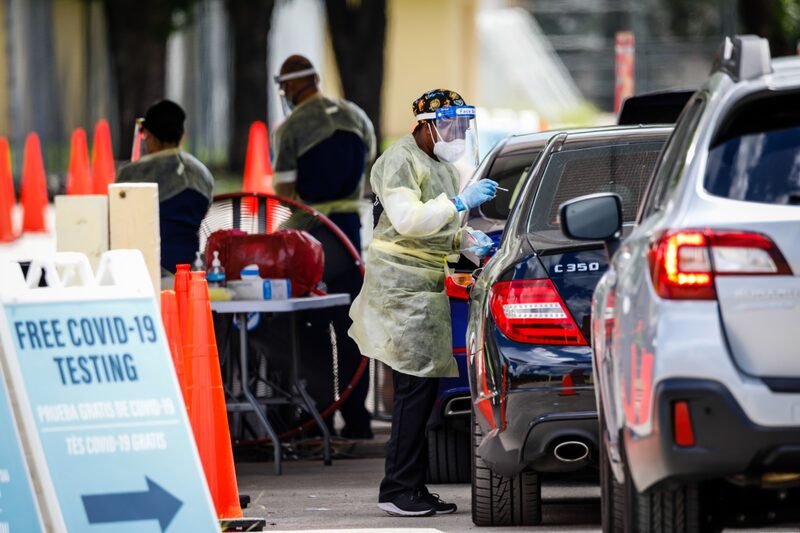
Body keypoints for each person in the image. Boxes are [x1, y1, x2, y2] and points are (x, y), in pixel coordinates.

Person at [348, 89, 497, 517]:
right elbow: (409, 220)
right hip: (400, 290)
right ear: (426, 125)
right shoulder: (399, 161)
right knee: (413, 393)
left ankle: (412, 485)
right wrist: (459, 203)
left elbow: (438, 230)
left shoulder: (443, 168)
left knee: (423, 394)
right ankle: (397, 489)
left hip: (424, 289)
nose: (459, 134)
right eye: (452, 125)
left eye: (464, 126)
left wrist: (465, 240)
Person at [271, 55, 376, 439]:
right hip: (348, 234)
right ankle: (358, 421)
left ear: (291, 86)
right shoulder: (356, 116)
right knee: (351, 328)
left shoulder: (290, 128)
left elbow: (283, 192)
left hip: (310, 236)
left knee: (312, 327)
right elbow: (369, 165)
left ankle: (318, 420)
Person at [116, 99, 214, 274]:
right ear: (182, 135)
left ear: (149, 136)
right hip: (193, 270)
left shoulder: (131, 174)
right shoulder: (202, 173)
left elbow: (117, 223)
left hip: (143, 270)